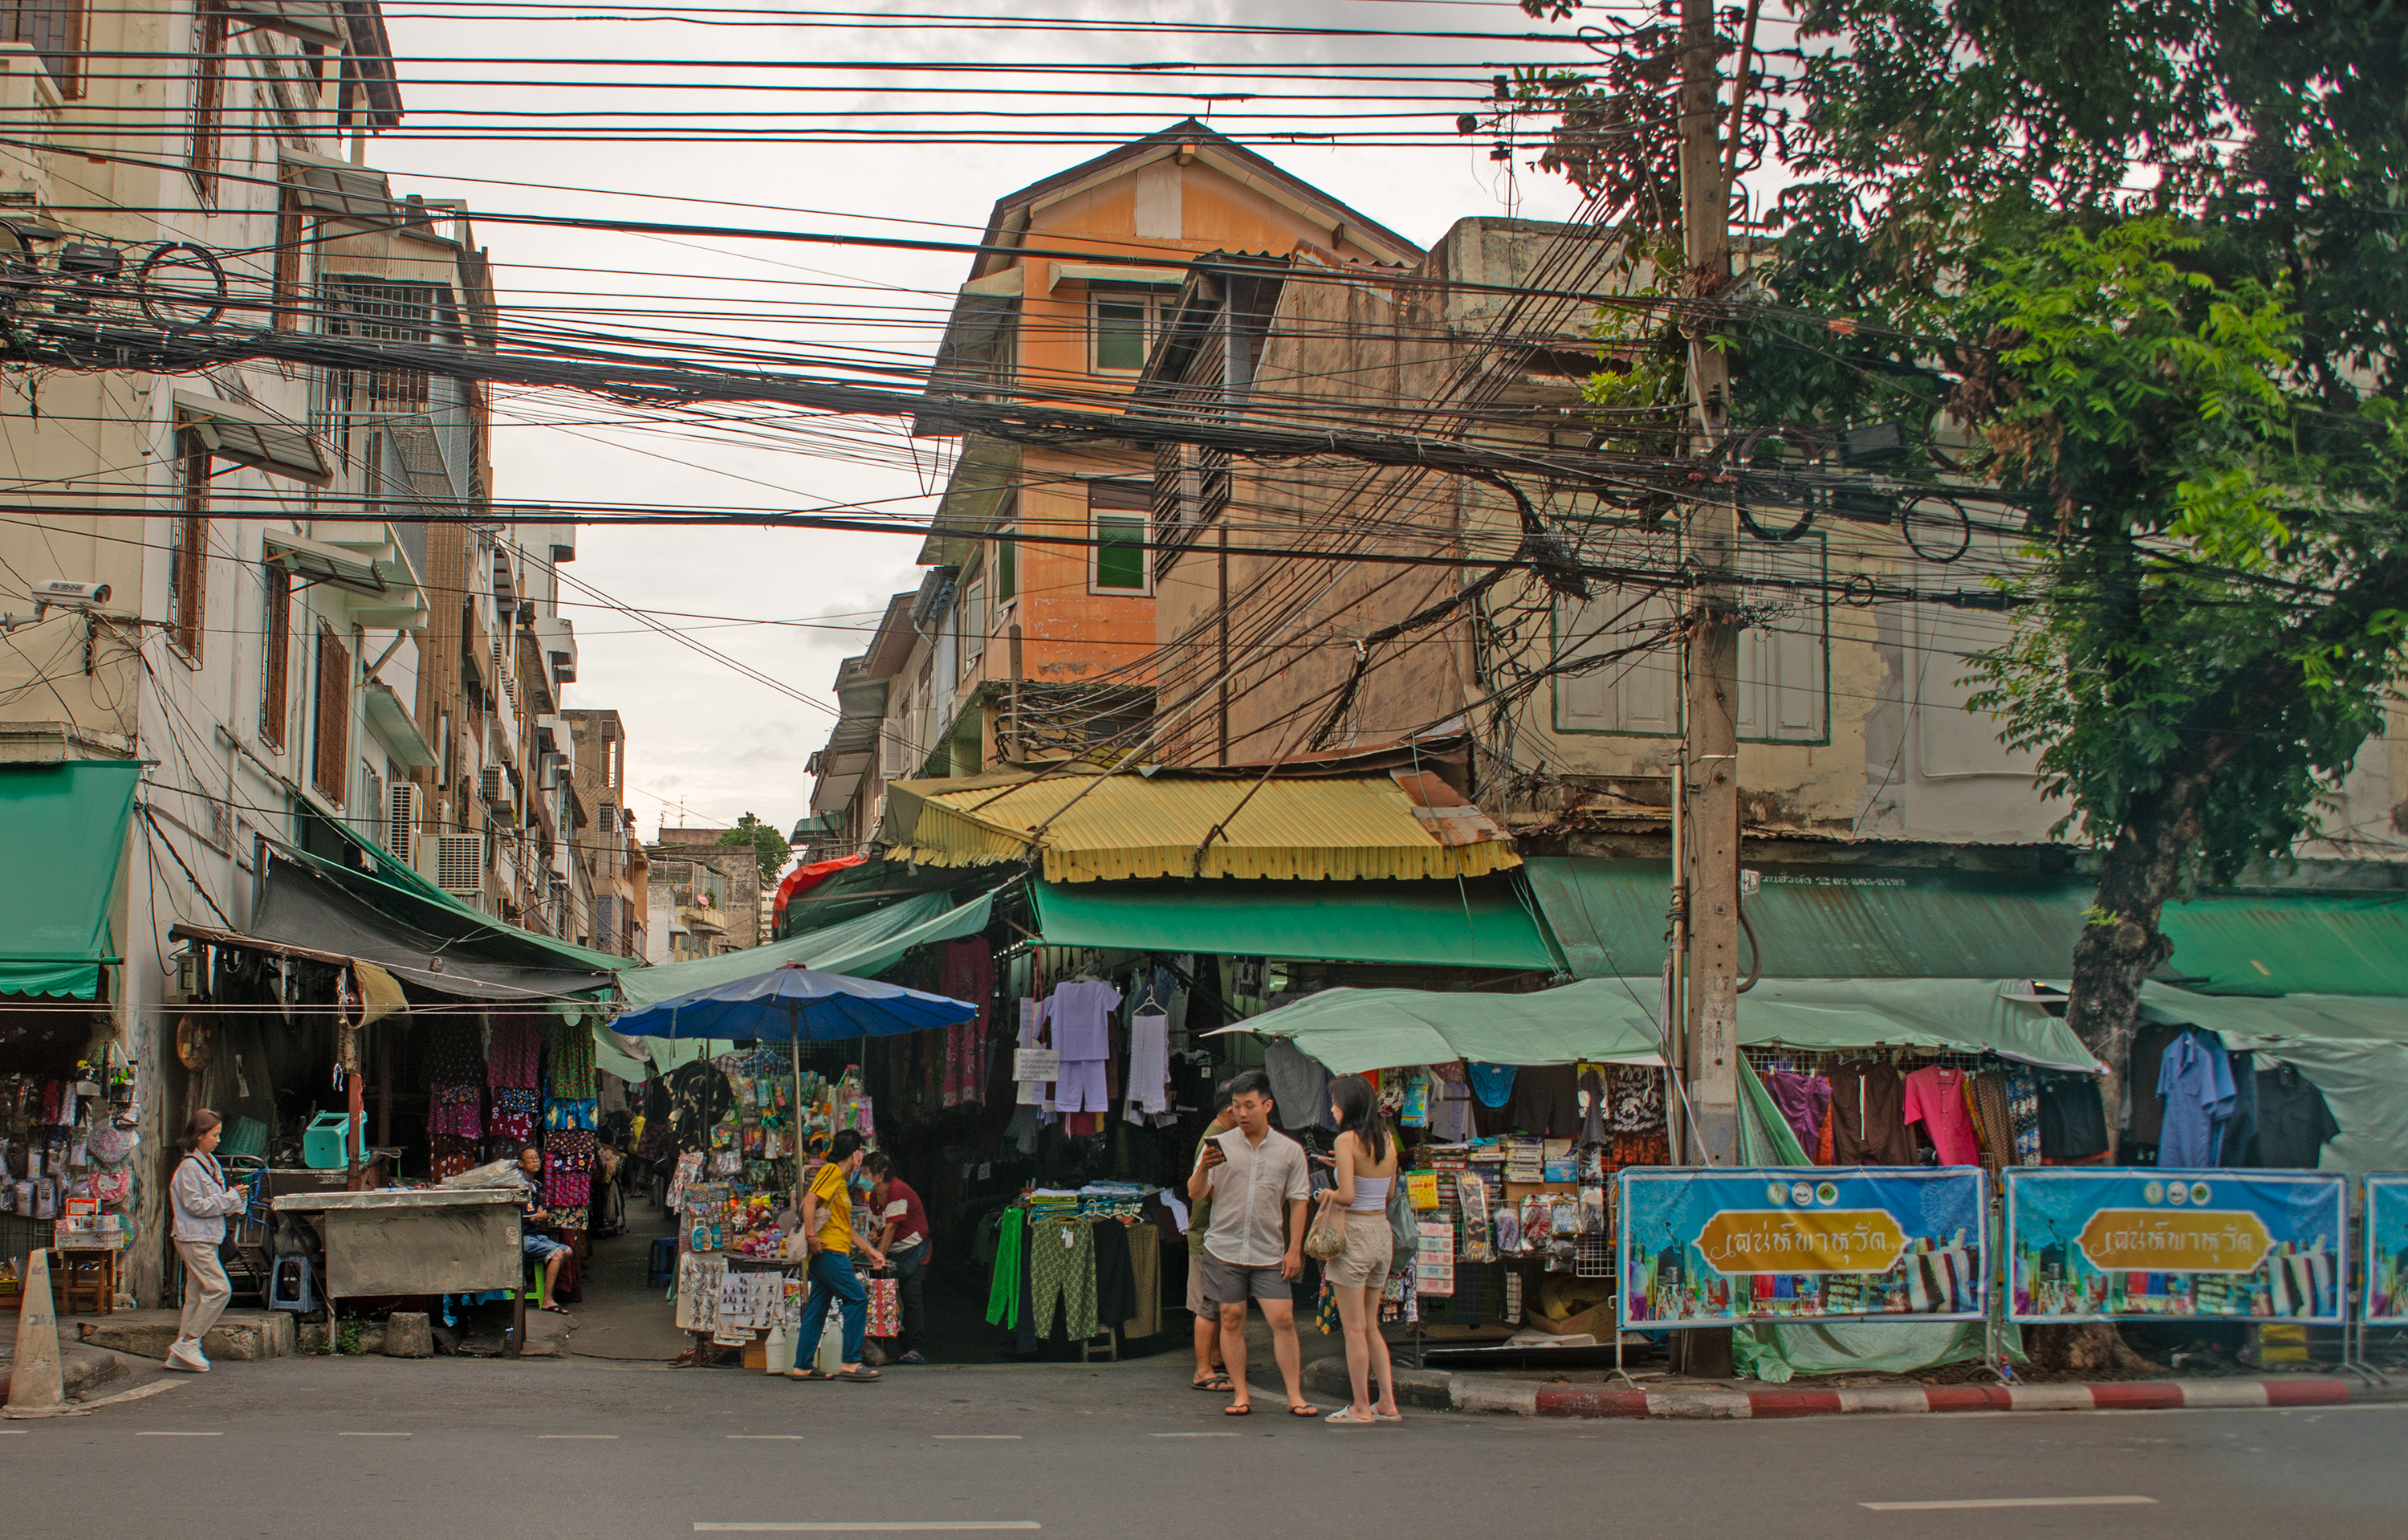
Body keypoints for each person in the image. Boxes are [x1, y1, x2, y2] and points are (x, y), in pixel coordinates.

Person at [1187, 1068, 1316, 1417]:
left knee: (1283, 1319)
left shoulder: (1289, 1151)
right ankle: (1241, 1395)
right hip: (1224, 1248)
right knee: (1231, 1318)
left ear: (1267, 1106)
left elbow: (1299, 1201)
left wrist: (1294, 1250)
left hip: (1268, 1251)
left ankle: (1295, 1396)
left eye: (1249, 1105)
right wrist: (1202, 1168)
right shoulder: (1218, 1146)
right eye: (1236, 1106)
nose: (1241, 1113)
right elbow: (1196, 1193)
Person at [1316, 1075, 1403, 1424]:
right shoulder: (1387, 1140)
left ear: (1348, 1105)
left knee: (1353, 1328)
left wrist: (1328, 1193)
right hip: (1382, 1234)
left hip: (1354, 1234)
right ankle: (1387, 1403)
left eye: (1335, 1102)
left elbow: (1348, 1196)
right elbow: (1387, 1193)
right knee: (1370, 1325)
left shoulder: (1345, 1141)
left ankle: (1360, 1407)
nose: (1332, 1108)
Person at [789, 1129, 887, 1383]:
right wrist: (811, 1237)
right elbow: (809, 1201)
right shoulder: (831, 1172)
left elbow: (845, 1226)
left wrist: (870, 1250)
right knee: (857, 1298)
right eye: (860, 1151)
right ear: (855, 1154)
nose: (861, 1156)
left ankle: (803, 1365)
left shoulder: (840, 1181)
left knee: (817, 1308)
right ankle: (851, 1361)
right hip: (829, 1251)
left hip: (832, 1250)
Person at [165, 1109, 248, 1373]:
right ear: (199, 1136)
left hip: (206, 1237)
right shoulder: (189, 1167)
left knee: (196, 1296)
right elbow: (196, 1206)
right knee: (219, 1289)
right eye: (214, 1135)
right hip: (194, 1238)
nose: (218, 1140)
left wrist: (236, 1199)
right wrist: (230, 1198)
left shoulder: (209, 1163)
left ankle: (180, 1354)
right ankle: (190, 1342)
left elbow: (216, 1204)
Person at [1186, 1080, 1237, 1391]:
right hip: (1208, 1234)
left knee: (1216, 1303)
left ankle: (1216, 1357)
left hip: (1212, 1233)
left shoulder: (1221, 1135)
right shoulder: (1217, 1141)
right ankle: (1203, 1369)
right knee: (1207, 1304)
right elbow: (1201, 1190)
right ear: (1231, 1109)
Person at [864, 1151, 930, 1365]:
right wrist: (873, 1235)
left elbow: (892, 1228)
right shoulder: (874, 1196)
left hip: (914, 1250)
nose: (862, 1177)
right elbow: (879, 1227)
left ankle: (917, 1348)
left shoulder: (897, 1190)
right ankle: (904, 1348)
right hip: (896, 1253)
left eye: (865, 1173)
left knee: (910, 1296)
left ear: (879, 1175)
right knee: (895, 1299)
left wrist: (879, 1257)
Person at [516, 1146, 571, 1311]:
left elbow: (543, 1215)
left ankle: (535, 1284)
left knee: (568, 1252)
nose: (535, 1161)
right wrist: (535, 1217)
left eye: (537, 1158)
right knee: (557, 1254)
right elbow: (532, 1217)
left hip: (534, 1235)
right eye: (530, 1158)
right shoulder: (518, 1186)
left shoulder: (534, 1186)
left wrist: (537, 1217)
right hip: (521, 1237)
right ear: (520, 1164)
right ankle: (547, 1300)